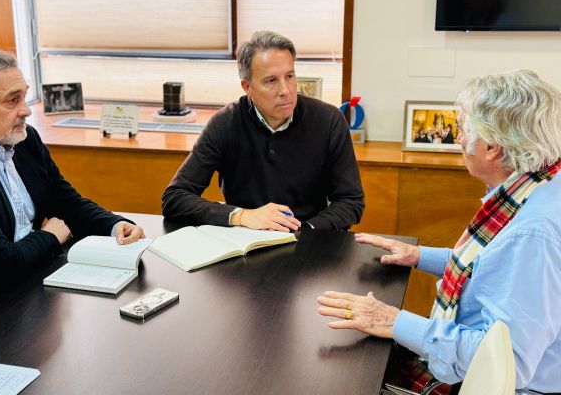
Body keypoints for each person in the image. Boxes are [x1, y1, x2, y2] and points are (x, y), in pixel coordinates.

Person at [317, 70, 561, 394]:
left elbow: (503, 365)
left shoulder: (531, 235)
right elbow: (495, 271)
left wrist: (392, 320)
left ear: (492, 147)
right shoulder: (540, 186)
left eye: (462, 130)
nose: (458, 139)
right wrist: (419, 256)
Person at [0, 48, 145, 317]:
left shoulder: (23, 139)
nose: (26, 110)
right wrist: (50, 236)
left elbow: (65, 202)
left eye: (24, 96)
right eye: (12, 100)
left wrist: (114, 225)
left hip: (28, 281)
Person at [162, 30, 364, 232]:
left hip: (309, 236)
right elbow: (175, 198)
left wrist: (305, 230)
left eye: (289, 76)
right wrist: (242, 216)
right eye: (271, 81)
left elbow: (350, 201)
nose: (285, 90)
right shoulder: (225, 123)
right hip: (245, 237)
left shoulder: (328, 120)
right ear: (247, 87)